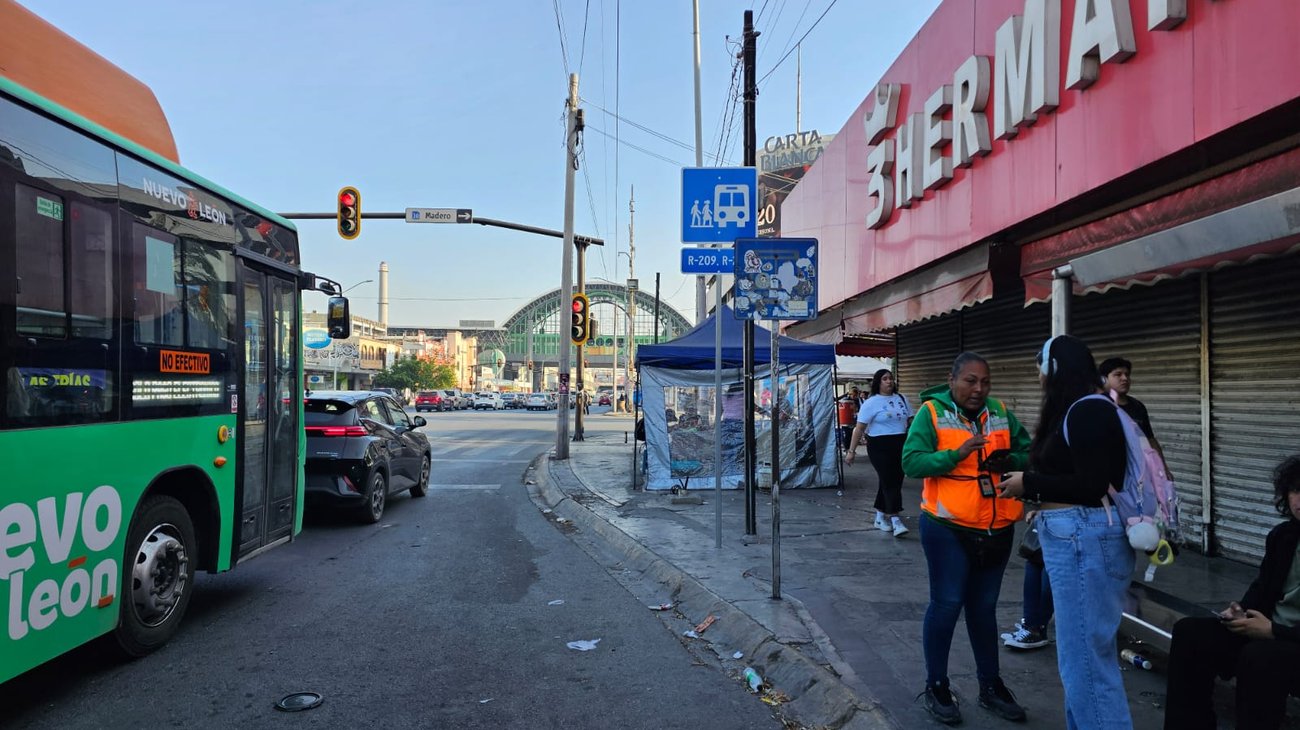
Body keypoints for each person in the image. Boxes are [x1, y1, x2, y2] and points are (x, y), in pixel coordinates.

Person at [998, 335, 1135, 729]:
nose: (1037, 373)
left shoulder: (1088, 411)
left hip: (1083, 538)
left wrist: (1031, 485)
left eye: (1041, 364)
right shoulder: (1082, 409)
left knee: (1086, 663)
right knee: (1081, 659)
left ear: (1057, 368)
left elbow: (1093, 485)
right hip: (1076, 537)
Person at [902, 352, 1032, 725]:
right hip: (947, 528)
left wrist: (1010, 460)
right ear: (952, 379)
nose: (978, 389)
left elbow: (1029, 452)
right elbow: (911, 463)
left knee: (984, 609)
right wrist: (955, 455)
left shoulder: (1001, 412)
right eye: (970, 381)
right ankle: (937, 685)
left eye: (985, 382)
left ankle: (990, 686)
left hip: (997, 528)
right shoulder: (931, 412)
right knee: (947, 604)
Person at [1163, 455, 1300, 730]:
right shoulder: (1284, 536)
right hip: (1269, 631)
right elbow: (1262, 588)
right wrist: (1241, 610)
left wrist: (1274, 632)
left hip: (1287, 641)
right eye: (1297, 490)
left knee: (1259, 658)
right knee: (1190, 633)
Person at [844, 369, 912, 537]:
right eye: (885, 379)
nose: (889, 381)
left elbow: (911, 421)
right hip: (879, 445)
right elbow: (858, 428)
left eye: (891, 378)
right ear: (878, 382)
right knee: (889, 480)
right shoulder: (871, 402)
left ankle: (880, 516)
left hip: (900, 443)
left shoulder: (902, 399)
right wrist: (851, 451)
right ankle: (895, 519)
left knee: (893, 480)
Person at [1098, 357, 1169, 468]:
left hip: (1139, 471)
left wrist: (1163, 468)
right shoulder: (1097, 405)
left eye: (1127, 374)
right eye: (1118, 374)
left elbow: (1150, 439)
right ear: (1104, 379)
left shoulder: (1137, 406)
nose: (1125, 378)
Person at [1000, 510, 1054, 651]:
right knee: (1034, 559)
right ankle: (1031, 626)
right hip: (1050, 515)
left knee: (1048, 576)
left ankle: (1037, 628)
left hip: (1070, 517)